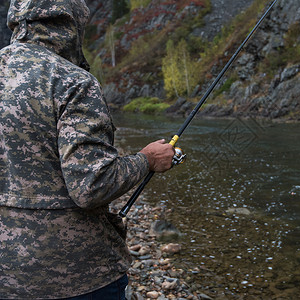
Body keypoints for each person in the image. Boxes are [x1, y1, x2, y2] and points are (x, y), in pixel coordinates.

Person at [0, 0, 174, 299]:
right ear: (72, 22)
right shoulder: (72, 81)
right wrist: (147, 160)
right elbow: (92, 185)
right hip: (77, 276)